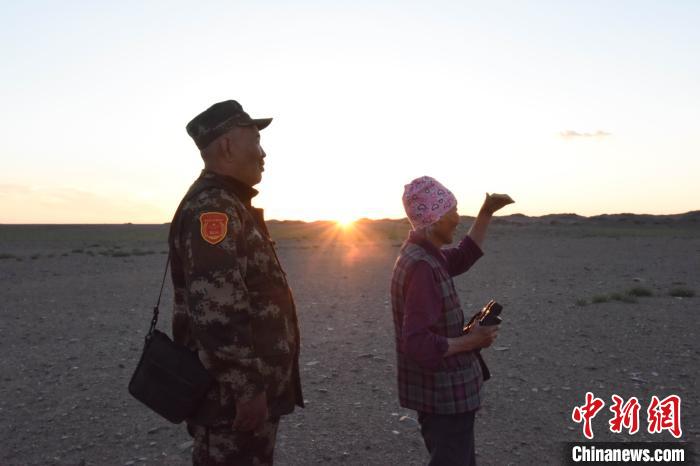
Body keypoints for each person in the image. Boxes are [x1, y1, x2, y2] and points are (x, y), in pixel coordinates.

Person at [168, 99, 303, 465]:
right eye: (255, 140)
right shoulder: (213, 209)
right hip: (230, 402)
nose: (263, 153)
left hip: (242, 396)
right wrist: (246, 389)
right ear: (227, 145)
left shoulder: (230, 203)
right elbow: (218, 309)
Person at [390, 176, 514, 466]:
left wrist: (486, 213)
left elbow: (464, 255)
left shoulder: (425, 255)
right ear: (433, 219)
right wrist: (473, 340)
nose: (458, 218)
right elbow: (417, 344)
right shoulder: (423, 266)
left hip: (442, 395)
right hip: (444, 397)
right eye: (452, 212)